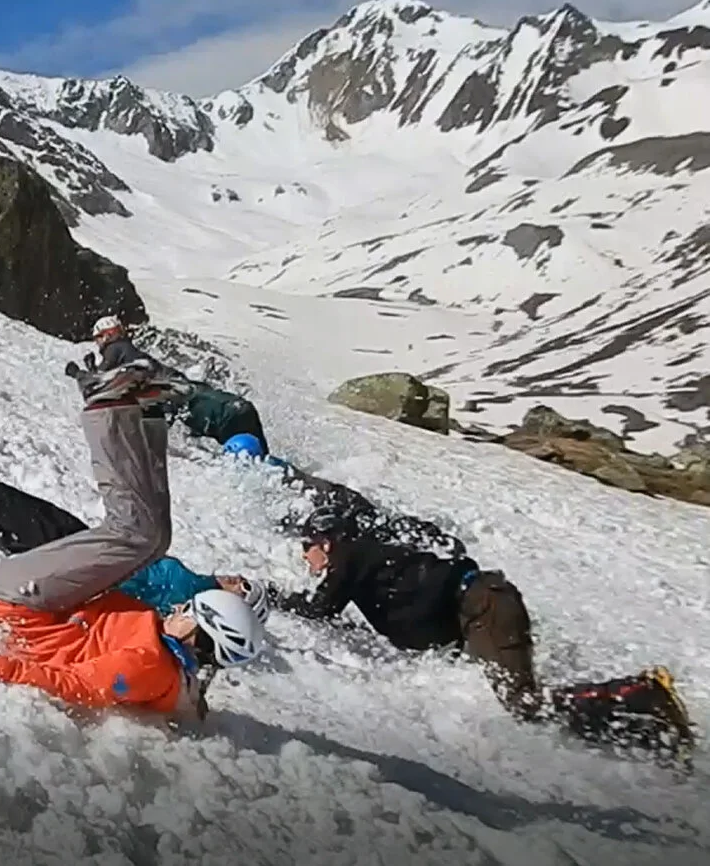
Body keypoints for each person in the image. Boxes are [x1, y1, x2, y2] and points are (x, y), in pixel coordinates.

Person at [0, 361, 265, 719]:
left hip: (23, 605)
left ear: (201, 636)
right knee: (155, 539)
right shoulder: (164, 650)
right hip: (48, 599)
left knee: (137, 535)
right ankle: (147, 414)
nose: (179, 608)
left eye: (189, 611)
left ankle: (107, 409)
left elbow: (77, 685)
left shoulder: (148, 666)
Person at [268, 507, 694, 760]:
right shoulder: (367, 559)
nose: (304, 555)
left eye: (306, 545)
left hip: (484, 606)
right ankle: (648, 729)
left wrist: (269, 598)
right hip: (483, 604)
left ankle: (644, 694)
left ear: (325, 540)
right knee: (526, 701)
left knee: (525, 703)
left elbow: (321, 607)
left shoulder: (349, 553)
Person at [0, 479, 270, 621]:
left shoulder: (187, 603)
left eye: (244, 588)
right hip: (95, 547)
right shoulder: (193, 584)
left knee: (0, 500)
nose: (238, 578)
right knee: (6, 500)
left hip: (82, 565)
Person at [222, 435, 465, 558]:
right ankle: (433, 540)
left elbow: (282, 512)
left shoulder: (259, 476)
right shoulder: (272, 465)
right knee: (381, 524)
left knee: (376, 533)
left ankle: (433, 543)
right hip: (339, 497)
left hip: (333, 509)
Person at [87, 315, 270, 453]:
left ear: (108, 334)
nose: (99, 345)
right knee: (267, 466)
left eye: (99, 338)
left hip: (220, 415)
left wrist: (90, 373)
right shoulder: (145, 366)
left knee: (249, 465)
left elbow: (103, 381)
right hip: (233, 407)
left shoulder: (118, 348)